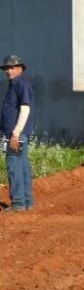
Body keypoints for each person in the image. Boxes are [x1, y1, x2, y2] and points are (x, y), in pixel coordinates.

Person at [2, 55, 33, 212]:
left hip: (16, 135)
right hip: (17, 134)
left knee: (14, 166)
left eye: (12, 67)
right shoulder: (14, 84)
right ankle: (26, 202)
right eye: (6, 68)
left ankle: (18, 203)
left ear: (20, 68)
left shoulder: (21, 84)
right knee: (22, 166)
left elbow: (25, 109)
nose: (8, 71)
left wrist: (15, 133)